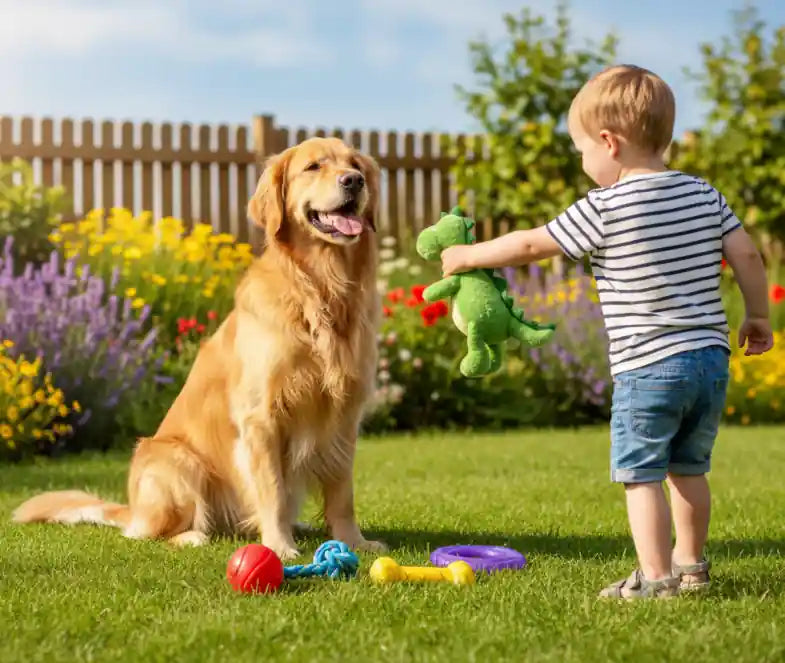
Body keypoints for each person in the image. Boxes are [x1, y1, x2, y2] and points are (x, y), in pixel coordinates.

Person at [439, 64, 775, 599]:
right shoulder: (703, 193)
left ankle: (655, 578)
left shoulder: (607, 205)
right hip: (710, 361)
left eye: (580, 151)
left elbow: (530, 245)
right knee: (688, 469)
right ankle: (691, 568)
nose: (582, 163)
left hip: (648, 365)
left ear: (608, 143)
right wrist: (758, 314)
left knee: (641, 474)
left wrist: (466, 256)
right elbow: (746, 254)